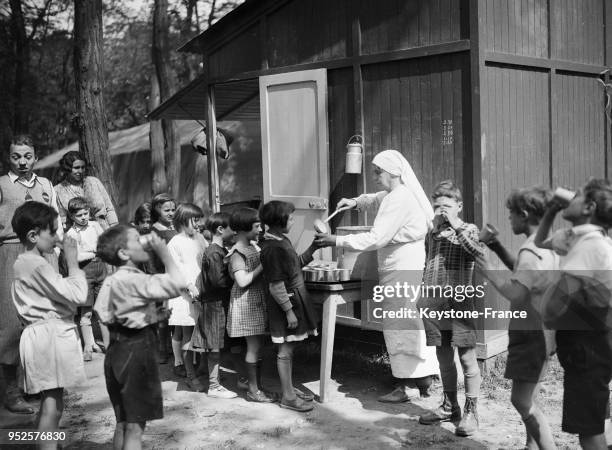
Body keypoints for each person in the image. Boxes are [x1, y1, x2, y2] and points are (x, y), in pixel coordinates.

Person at [315, 149, 439, 402]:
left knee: (398, 320)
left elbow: (376, 237)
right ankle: (425, 379)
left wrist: (335, 240)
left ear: (393, 172)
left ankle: (406, 385)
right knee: (407, 318)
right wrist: (355, 201)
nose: (374, 175)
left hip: (400, 263)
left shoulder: (399, 199)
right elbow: (375, 198)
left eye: (377, 171)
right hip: (404, 261)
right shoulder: (399, 192)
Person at [476, 187, 557, 449]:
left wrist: (488, 271)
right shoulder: (545, 243)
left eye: (511, 214)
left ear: (523, 215)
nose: (508, 219)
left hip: (530, 332)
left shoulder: (530, 250)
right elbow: (523, 273)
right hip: (546, 331)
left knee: (521, 401)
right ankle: (532, 445)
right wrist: (496, 245)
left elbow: (517, 293)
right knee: (530, 393)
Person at [535, 179, 612, 450]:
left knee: (588, 432)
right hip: (588, 346)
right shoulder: (579, 237)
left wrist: (546, 320)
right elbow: (541, 241)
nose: (571, 198)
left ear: (589, 207)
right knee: (593, 423)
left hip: (588, 349)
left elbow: (556, 303)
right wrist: (551, 211)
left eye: (576, 196)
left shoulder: (591, 246)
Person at [95, 225, 186, 450]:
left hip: (116, 351)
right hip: (137, 352)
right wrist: (165, 252)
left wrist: (152, 315)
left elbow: (104, 314)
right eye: (137, 240)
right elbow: (179, 284)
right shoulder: (136, 279)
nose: (144, 242)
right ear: (124, 253)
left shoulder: (111, 279)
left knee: (123, 423)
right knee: (136, 428)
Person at [10, 202, 87, 449]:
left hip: (45, 335)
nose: (56, 238)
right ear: (33, 235)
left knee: (50, 402)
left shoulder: (28, 263)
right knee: (53, 406)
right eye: (52, 232)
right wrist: (73, 263)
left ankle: (46, 443)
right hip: (48, 338)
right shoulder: (35, 264)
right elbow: (76, 295)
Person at [0, 134, 63, 414]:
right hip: (12, 252)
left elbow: (57, 218)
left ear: (35, 157)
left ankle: (37, 386)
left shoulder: (47, 184)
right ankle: (11, 391)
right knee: (11, 321)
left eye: (27, 156)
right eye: (16, 156)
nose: (22, 161)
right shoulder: (2, 185)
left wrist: (56, 251)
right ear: (8, 157)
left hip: (45, 254)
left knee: (43, 318)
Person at [417, 180, 485, 436]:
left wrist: (456, 226)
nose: (441, 210)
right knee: (443, 358)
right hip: (434, 301)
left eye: (447, 205)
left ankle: (471, 410)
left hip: (460, 301)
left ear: (459, 206)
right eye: (437, 206)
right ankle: (449, 405)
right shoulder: (432, 233)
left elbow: (477, 253)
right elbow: (427, 263)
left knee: (467, 357)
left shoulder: (468, 228)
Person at [260, 201, 323, 412]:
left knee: (290, 348)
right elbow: (276, 285)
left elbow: (295, 264)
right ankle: (287, 397)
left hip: (294, 300)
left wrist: (314, 246)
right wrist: (288, 311)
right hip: (286, 303)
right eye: (291, 217)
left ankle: (289, 389)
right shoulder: (272, 248)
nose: (293, 220)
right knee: (285, 350)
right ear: (279, 220)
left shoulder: (281, 240)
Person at [226, 207, 275, 403]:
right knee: (253, 347)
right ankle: (253, 390)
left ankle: (256, 386)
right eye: (256, 226)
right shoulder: (238, 252)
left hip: (255, 301)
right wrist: (263, 265)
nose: (261, 229)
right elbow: (243, 281)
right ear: (244, 228)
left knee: (257, 346)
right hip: (245, 303)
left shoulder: (253, 246)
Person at [190, 212, 239, 398]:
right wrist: (235, 278)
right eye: (232, 228)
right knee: (214, 347)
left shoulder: (220, 251)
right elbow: (218, 281)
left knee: (215, 345)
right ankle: (213, 386)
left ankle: (212, 379)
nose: (235, 232)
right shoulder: (214, 253)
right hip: (214, 305)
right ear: (220, 229)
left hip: (216, 304)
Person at [166, 203, 208, 391]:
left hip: (201, 292)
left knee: (204, 334)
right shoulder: (174, 242)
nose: (199, 224)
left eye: (200, 220)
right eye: (195, 220)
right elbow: (175, 270)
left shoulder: (200, 239)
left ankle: (201, 367)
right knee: (188, 337)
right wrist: (189, 285)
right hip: (184, 295)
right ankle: (190, 375)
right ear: (183, 221)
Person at [65, 196, 108, 361]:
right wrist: (92, 252)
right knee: (86, 313)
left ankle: (108, 344)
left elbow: (104, 242)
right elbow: (75, 257)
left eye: (86, 213)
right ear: (71, 216)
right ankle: (88, 346)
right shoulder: (71, 234)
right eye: (79, 215)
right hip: (84, 274)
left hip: (101, 270)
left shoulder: (95, 225)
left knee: (103, 309)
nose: (83, 217)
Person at [54, 151, 118, 230]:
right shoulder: (58, 190)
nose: (80, 171)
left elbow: (109, 208)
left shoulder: (94, 182)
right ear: (68, 168)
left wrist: (114, 228)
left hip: (105, 230)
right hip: (80, 235)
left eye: (83, 167)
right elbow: (62, 220)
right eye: (76, 168)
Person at [148, 193, 177, 364]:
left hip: (178, 276)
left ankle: (176, 349)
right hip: (161, 276)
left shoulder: (176, 227)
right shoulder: (154, 231)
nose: (171, 213)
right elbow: (151, 259)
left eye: (173, 209)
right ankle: (162, 349)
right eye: (167, 210)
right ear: (157, 210)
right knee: (163, 316)